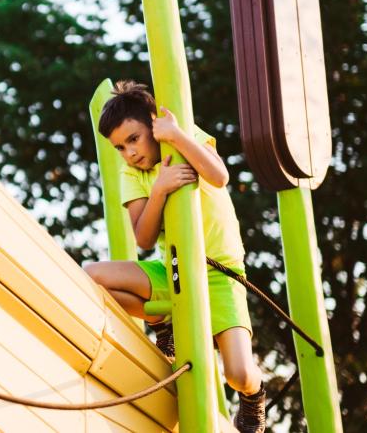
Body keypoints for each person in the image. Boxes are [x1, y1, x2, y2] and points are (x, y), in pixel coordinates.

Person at [83, 80, 266, 432]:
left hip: (221, 272)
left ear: (154, 124)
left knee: (239, 375)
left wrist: (178, 136)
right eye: (119, 147)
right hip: (174, 270)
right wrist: (160, 189)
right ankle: (161, 323)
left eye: (133, 139)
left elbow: (219, 175)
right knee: (93, 275)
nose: (129, 153)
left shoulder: (181, 136)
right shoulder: (132, 172)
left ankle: (255, 395)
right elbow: (144, 237)